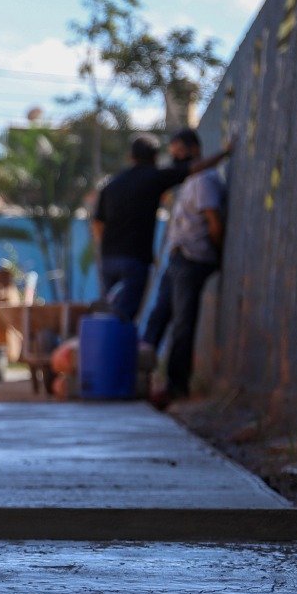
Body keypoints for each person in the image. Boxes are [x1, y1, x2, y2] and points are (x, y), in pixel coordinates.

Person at [91, 128, 229, 324]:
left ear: (131, 157)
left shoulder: (111, 185)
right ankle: (113, 344)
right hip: (135, 260)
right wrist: (225, 153)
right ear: (155, 157)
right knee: (122, 318)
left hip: (109, 259)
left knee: (109, 312)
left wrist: (106, 248)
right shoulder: (154, 177)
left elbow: (97, 223)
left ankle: (102, 342)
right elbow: (194, 168)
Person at [143, 160, 227, 405]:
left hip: (192, 259)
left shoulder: (203, 180)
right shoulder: (187, 182)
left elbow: (213, 221)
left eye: (179, 150)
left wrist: (218, 253)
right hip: (177, 258)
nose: (174, 156)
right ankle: (139, 376)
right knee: (158, 317)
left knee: (182, 324)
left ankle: (176, 386)